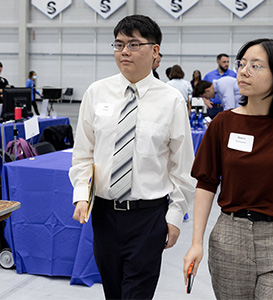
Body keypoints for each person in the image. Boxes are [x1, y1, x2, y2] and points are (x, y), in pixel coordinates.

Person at [184, 38, 273, 300]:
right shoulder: (223, 124)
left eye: (256, 65)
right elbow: (206, 184)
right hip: (230, 238)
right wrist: (196, 242)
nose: (243, 70)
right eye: (242, 64)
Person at [69, 15, 196, 300]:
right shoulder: (96, 92)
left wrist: (174, 217)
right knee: (113, 292)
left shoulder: (171, 100)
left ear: (155, 51)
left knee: (137, 294)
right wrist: (82, 194)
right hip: (103, 215)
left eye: (134, 44)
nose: (124, 51)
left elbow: (183, 167)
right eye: (119, 44)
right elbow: (83, 154)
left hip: (148, 217)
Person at [203, 53, 237, 118]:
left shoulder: (234, 75)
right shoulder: (209, 75)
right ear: (218, 62)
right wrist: (205, 100)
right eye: (224, 62)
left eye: (228, 62)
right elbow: (201, 90)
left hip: (230, 107)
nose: (226, 64)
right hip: (213, 107)